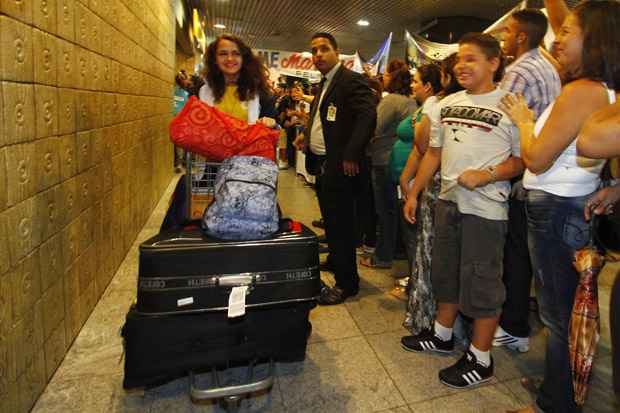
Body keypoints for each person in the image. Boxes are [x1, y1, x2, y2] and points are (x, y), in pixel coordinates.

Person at [500, 2, 620, 411]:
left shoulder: (581, 91)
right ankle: (562, 388)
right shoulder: (600, 88)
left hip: (556, 207)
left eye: (569, 31)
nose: (559, 38)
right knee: (567, 310)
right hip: (570, 204)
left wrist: (521, 120)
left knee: (559, 316)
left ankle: (558, 402)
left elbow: (535, 158)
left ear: (596, 39)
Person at [400, 33, 524, 389]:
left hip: (486, 210)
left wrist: (488, 174)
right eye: (459, 60)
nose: (461, 66)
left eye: (471, 59)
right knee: (445, 273)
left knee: (482, 281)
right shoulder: (446, 103)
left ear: (494, 63)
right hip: (447, 203)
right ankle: (442, 335)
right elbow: (434, 154)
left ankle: (481, 358)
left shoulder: (511, 105)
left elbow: (524, 159)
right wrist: (415, 192)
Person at [493, 8, 562, 353]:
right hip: (544, 171)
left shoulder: (519, 71)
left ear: (521, 36)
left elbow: (501, 125)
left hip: (524, 169)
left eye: (507, 31)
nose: (503, 37)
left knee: (516, 253)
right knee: (529, 254)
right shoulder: (546, 65)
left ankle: (513, 325)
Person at [302, 32, 376, 305]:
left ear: (336, 52)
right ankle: (335, 260)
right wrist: (307, 137)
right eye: (314, 50)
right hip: (323, 164)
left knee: (342, 224)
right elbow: (322, 118)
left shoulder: (350, 80)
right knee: (331, 220)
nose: (318, 54)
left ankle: (347, 284)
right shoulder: (324, 84)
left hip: (342, 166)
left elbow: (368, 116)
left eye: (324, 49)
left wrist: (352, 153)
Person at [395, 62, 447, 327]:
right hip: (420, 182)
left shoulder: (434, 107)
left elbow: (424, 146)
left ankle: (427, 312)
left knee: (424, 248)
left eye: (416, 80)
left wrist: (411, 184)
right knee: (420, 247)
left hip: (431, 185)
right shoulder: (428, 107)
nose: (412, 85)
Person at [361, 64, 417, 269]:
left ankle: (383, 256)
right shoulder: (412, 102)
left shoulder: (391, 101)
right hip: (404, 164)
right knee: (397, 209)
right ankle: (398, 252)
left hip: (384, 160)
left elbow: (373, 127)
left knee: (385, 211)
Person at [199, 34, 277, 125]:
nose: (229, 58)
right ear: (214, 59)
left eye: (236, 53)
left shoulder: (260, 92)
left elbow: (274, 128)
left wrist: (272, 124)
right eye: (223, 54)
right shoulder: (202, 91)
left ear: (243, 58)